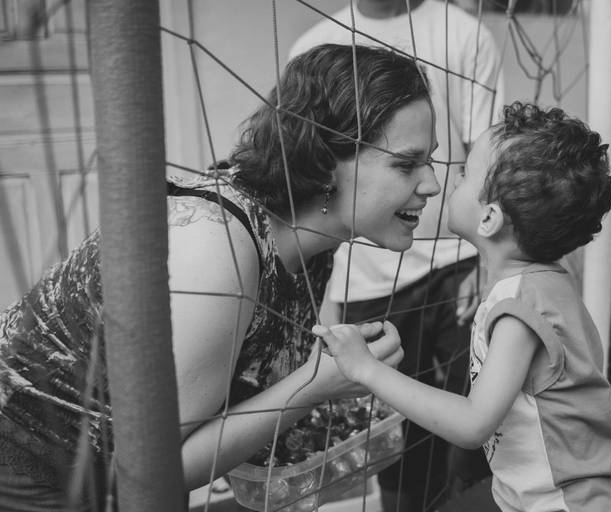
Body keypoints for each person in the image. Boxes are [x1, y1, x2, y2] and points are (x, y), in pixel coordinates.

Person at [0, 43, 438, 511]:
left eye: (431, 160)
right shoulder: (217, 245)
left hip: (100, 476)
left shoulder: (316, 241)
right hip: (26, 464)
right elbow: (157, 469)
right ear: (326, 161)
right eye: (406, 163)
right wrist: (316, 385)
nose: (432, 183)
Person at [314, 102, 611, 512]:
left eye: (465, 173)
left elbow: (472, 425)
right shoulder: (544, 284)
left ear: (488, 219)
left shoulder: (521, 308)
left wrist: (367, 369)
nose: (448, 181)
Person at [290, 2, 503, 509]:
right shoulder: (313, 46)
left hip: (457, 260)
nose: (430, 181)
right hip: (366, 277)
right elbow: (306, 170)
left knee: (482, 436)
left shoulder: (464, 33)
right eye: (410, 164)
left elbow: (490, 157)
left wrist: (490, 262)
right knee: (398, 449)